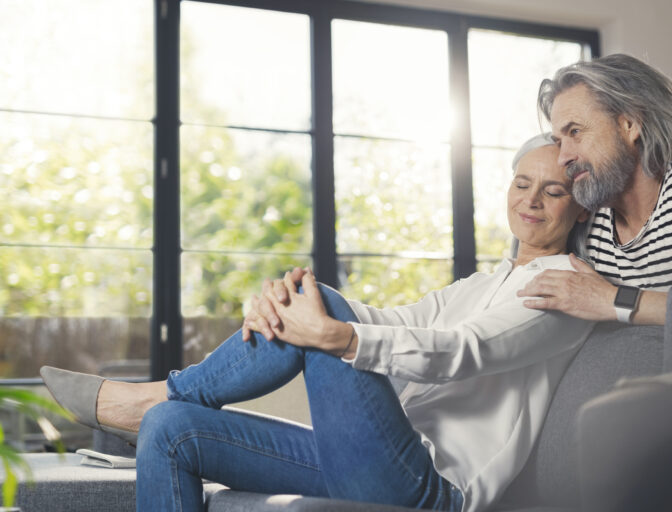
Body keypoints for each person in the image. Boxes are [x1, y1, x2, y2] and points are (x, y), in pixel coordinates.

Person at [41, 133, 594, 512]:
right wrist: (292, 305)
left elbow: (461, 350)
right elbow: (397, 321)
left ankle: (154, 394)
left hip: (428, 486)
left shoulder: (567, 286)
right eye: (523, 183)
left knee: (322, 304)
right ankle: (158, 405)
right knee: (170, 429)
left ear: (581, 209)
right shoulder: (481, 282)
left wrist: (337, 332)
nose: (532, 202)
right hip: (371, 459)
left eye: (554, 191)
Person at [518, 53, 672, 325]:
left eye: (575, 132)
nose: (563, 157)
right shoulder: (593, 203)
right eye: (559, 140)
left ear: (630, 125)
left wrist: (613, 299)